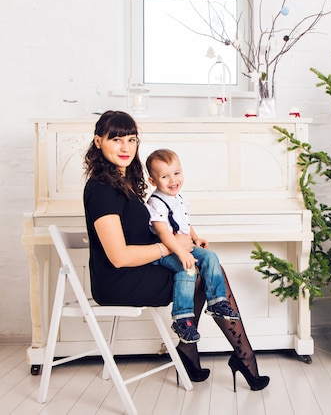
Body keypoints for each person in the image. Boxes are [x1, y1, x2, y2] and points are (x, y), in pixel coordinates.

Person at [82, 110, 269, 390]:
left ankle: (198, 353)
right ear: (98, 141)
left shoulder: (125, 185)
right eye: (116, 139)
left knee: (204, 266)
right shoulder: (100, 189)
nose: (125, 148)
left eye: (132, 140)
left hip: (139, 271)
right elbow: (119, 257)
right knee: (205, 272)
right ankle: (240, 357)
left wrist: (183, 239)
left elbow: (151, 227)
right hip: (119, 281)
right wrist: (170, 247)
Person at [145, 148, 240, 344]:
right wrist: (180, 252)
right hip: (164, 250)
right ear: (152, 181)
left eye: (177, 173)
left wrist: (195, 238)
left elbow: (184, 223)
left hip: (182, 245)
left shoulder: (178, 198)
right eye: (165, 176)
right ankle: (182, 319)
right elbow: (163, 232)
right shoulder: (156, 202)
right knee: (186, 269)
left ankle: (217, 301)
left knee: (210, 256)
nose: (173, 180)